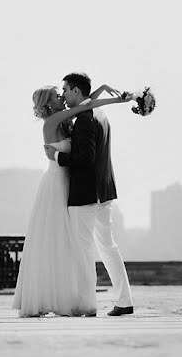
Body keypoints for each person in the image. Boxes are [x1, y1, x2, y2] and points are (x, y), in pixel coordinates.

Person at [12, 83, 131, 317]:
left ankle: (69, 297)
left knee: (68, 244)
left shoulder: (62, 118)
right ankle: (67, 298)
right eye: (58, 96)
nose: (62, 97)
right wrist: (118, 101)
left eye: (63, 92)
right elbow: (88, 104)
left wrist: (102, 88)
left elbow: (85, 103)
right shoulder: (53, 122)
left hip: (70, 184)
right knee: (60, 242)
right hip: (57, 185)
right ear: (49, 104)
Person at [44, 72, 134, 316]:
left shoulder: (84, 118)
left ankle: (86, 304)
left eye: (65, 89)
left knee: (82, 249)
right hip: (104, 191)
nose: (63, 94)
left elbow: (85, 159)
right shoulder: (101, 115)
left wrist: (57, 156)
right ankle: (124, 301)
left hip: (85, 194)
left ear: (75, 90)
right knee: (108, 247)